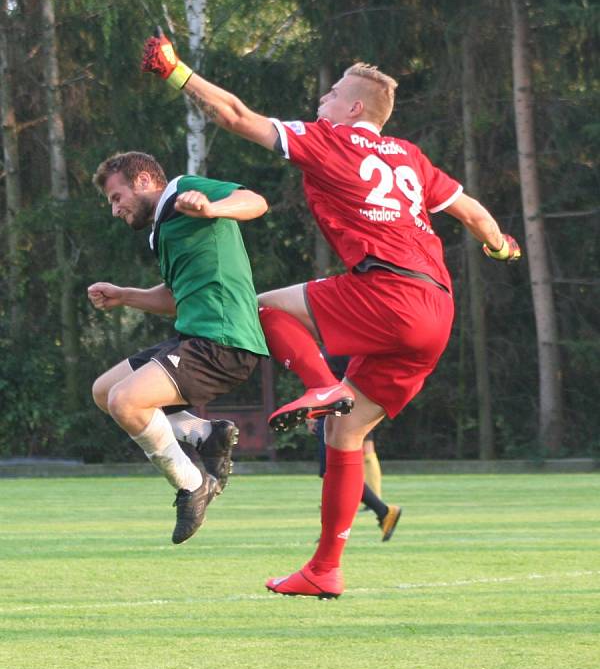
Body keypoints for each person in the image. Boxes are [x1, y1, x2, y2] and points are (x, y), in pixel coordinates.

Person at [141, 30, 521, 596]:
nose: (323, 99)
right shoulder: (411, 158)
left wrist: (177, 73)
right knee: (346, 433)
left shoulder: (330, 139)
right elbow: (473, 213)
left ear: (355, 108)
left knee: (254, 308)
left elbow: (236, 116)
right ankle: (325, 569)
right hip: (436, 310)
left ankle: (320, 383)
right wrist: (500, 246)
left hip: (388, 293)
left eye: (333, 92)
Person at [88, 151, 269, 544]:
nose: (115, 210)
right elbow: (175, 298)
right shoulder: (162, 230)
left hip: (224, 341)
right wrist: (124, 296)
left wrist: (211, 206)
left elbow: (255, 201)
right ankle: (206, 435)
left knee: (126, 401)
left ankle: (192, 484)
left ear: (142, 181)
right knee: (105, 392)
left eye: (117, 198)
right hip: (195, 338)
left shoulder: (182, 190)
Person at [308, 351, 401, 541]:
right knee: (334, 472)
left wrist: (314, 409)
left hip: (339, 411)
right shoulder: (334, 342)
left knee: (336, 472)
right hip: (336, 410)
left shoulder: (341, 345)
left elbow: (339, 380)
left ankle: (336, 529)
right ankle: (382, 512)